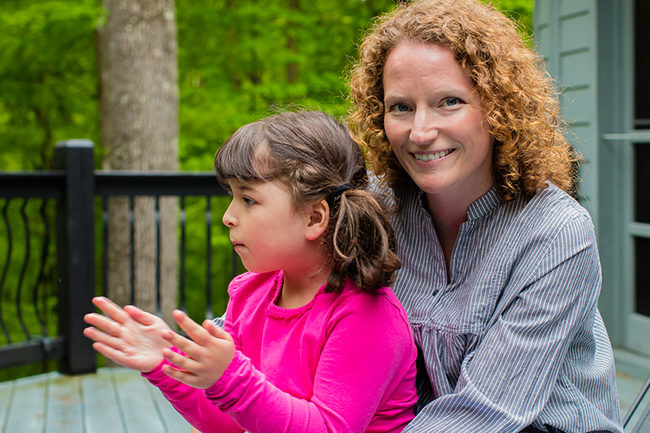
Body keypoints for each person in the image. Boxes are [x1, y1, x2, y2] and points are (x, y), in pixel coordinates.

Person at [347, 0, 623, 432]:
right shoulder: (377, 210)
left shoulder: (555, 232)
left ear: (498, 109)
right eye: (400, 107)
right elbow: (300, 299)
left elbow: (485, 412)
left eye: (449, 102)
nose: (420, 132)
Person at [83, 110, 418, 433]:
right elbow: (226, 422)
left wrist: (229, 377)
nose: (228, 216)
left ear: (314, 218)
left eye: (249, 200)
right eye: (233, 197)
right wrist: (168, 365)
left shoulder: (366, 315)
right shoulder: (249, 294)